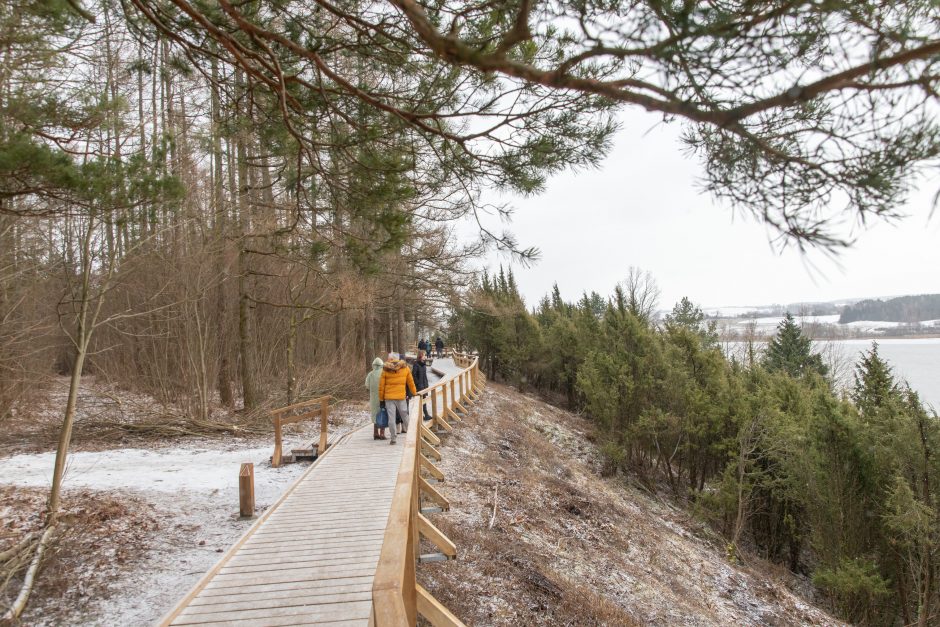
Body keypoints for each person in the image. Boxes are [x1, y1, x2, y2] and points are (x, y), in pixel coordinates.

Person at [379, 352, 416, 445]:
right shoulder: (405, 368)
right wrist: (415, 392)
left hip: (389, 397)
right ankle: (412, 435)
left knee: (391, 418)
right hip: (400, 397)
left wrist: (381, 399)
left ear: (390, 359)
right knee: (405, 415)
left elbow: (381, 386)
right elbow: (410, 382)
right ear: (399, 359)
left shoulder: (385, 369)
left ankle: (393, 438)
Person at [365, 357, 386, 440]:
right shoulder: (384, 373)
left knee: (375, 415)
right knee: (383, 414)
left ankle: (375, 433)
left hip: (373, 398)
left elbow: (367, 386)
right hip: (382, 397)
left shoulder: (370, 374)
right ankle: (382, 434)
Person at [411, 350, 432, 421]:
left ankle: (425, 414)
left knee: (424, 400)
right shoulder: (416, 364)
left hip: (424, 385)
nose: (425, 356)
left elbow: (424, 375)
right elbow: (413, 375)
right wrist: (417, 383)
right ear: (420, 356)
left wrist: (426, 384)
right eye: (424, 355)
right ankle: (419, 416)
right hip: (419, 386)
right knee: (419, 401)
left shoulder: (423, 364)